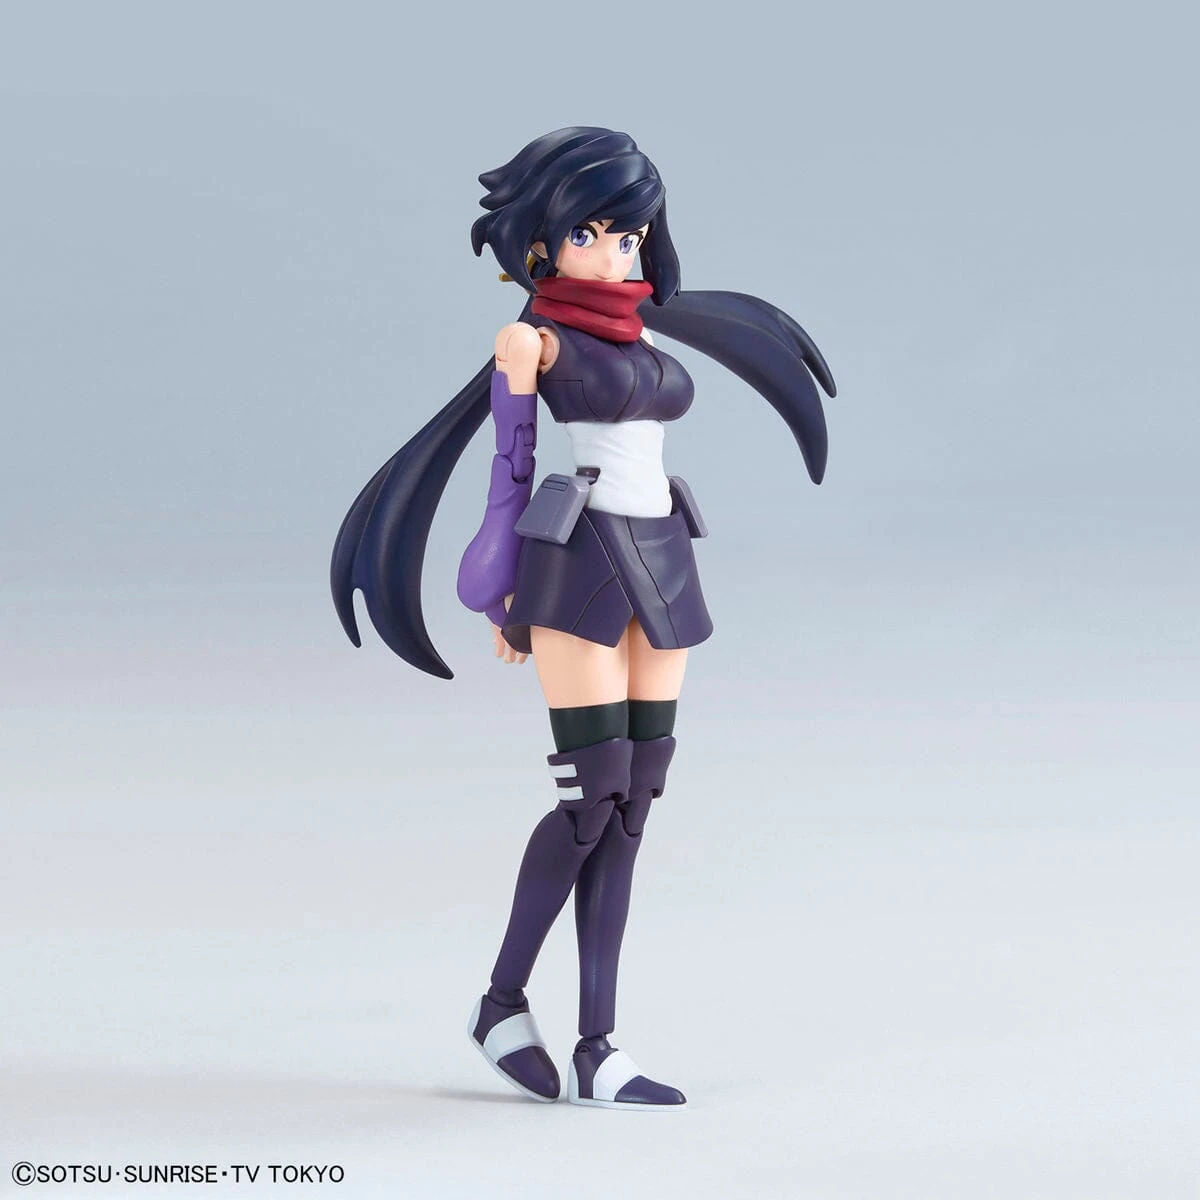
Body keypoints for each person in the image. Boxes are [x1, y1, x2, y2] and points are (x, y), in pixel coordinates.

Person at [331, 127, 836, 1109]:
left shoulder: (643, 328)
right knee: (590, 797)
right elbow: (509, 467)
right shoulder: (532, 340)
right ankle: (501, 1003)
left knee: (636, 801)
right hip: (580, 566)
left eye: (630, 236)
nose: (614, 254)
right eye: (591, 234)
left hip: (665, 557)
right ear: (541, 241)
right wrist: (499, 586)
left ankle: (600, 1045)